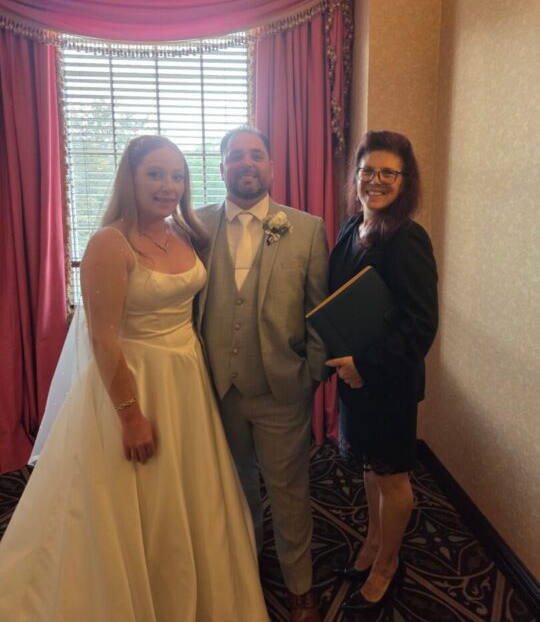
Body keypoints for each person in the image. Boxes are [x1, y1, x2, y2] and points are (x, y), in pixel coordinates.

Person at [0, 135, 269, 622]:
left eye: (177, 176)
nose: (169, 186)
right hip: (135, 383)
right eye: (155, 174)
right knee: (135, 501)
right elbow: (103, 340)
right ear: (131, 178)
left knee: (190, 494)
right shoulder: (110, 242)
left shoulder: (183, 232)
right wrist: (130, 417)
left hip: (186, 381)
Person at [196, 126, 329, 622]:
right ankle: (244, 575)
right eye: (235, 156)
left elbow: (320, 311)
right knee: (233, 489)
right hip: (217, 389)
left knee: (288, 491)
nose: (246, 163)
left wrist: (310, 373)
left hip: (281, 391)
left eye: (255, 155)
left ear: (271, 166)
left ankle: (300, 587)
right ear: (222, 167)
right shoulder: (195, 226)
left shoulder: (307, 229)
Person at [327, 130, 438, 613]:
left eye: (388, 172)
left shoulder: (408, 238)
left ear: (405, 180)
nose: (375, 180)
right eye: (367, 171)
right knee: (371, 469)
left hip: (388, 381)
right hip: (354, 378)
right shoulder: (354, 225)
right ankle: (373, 542)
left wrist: (365, 366)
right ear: (355, 176)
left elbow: (421, 324)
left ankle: (389, 564)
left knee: (393, 479)